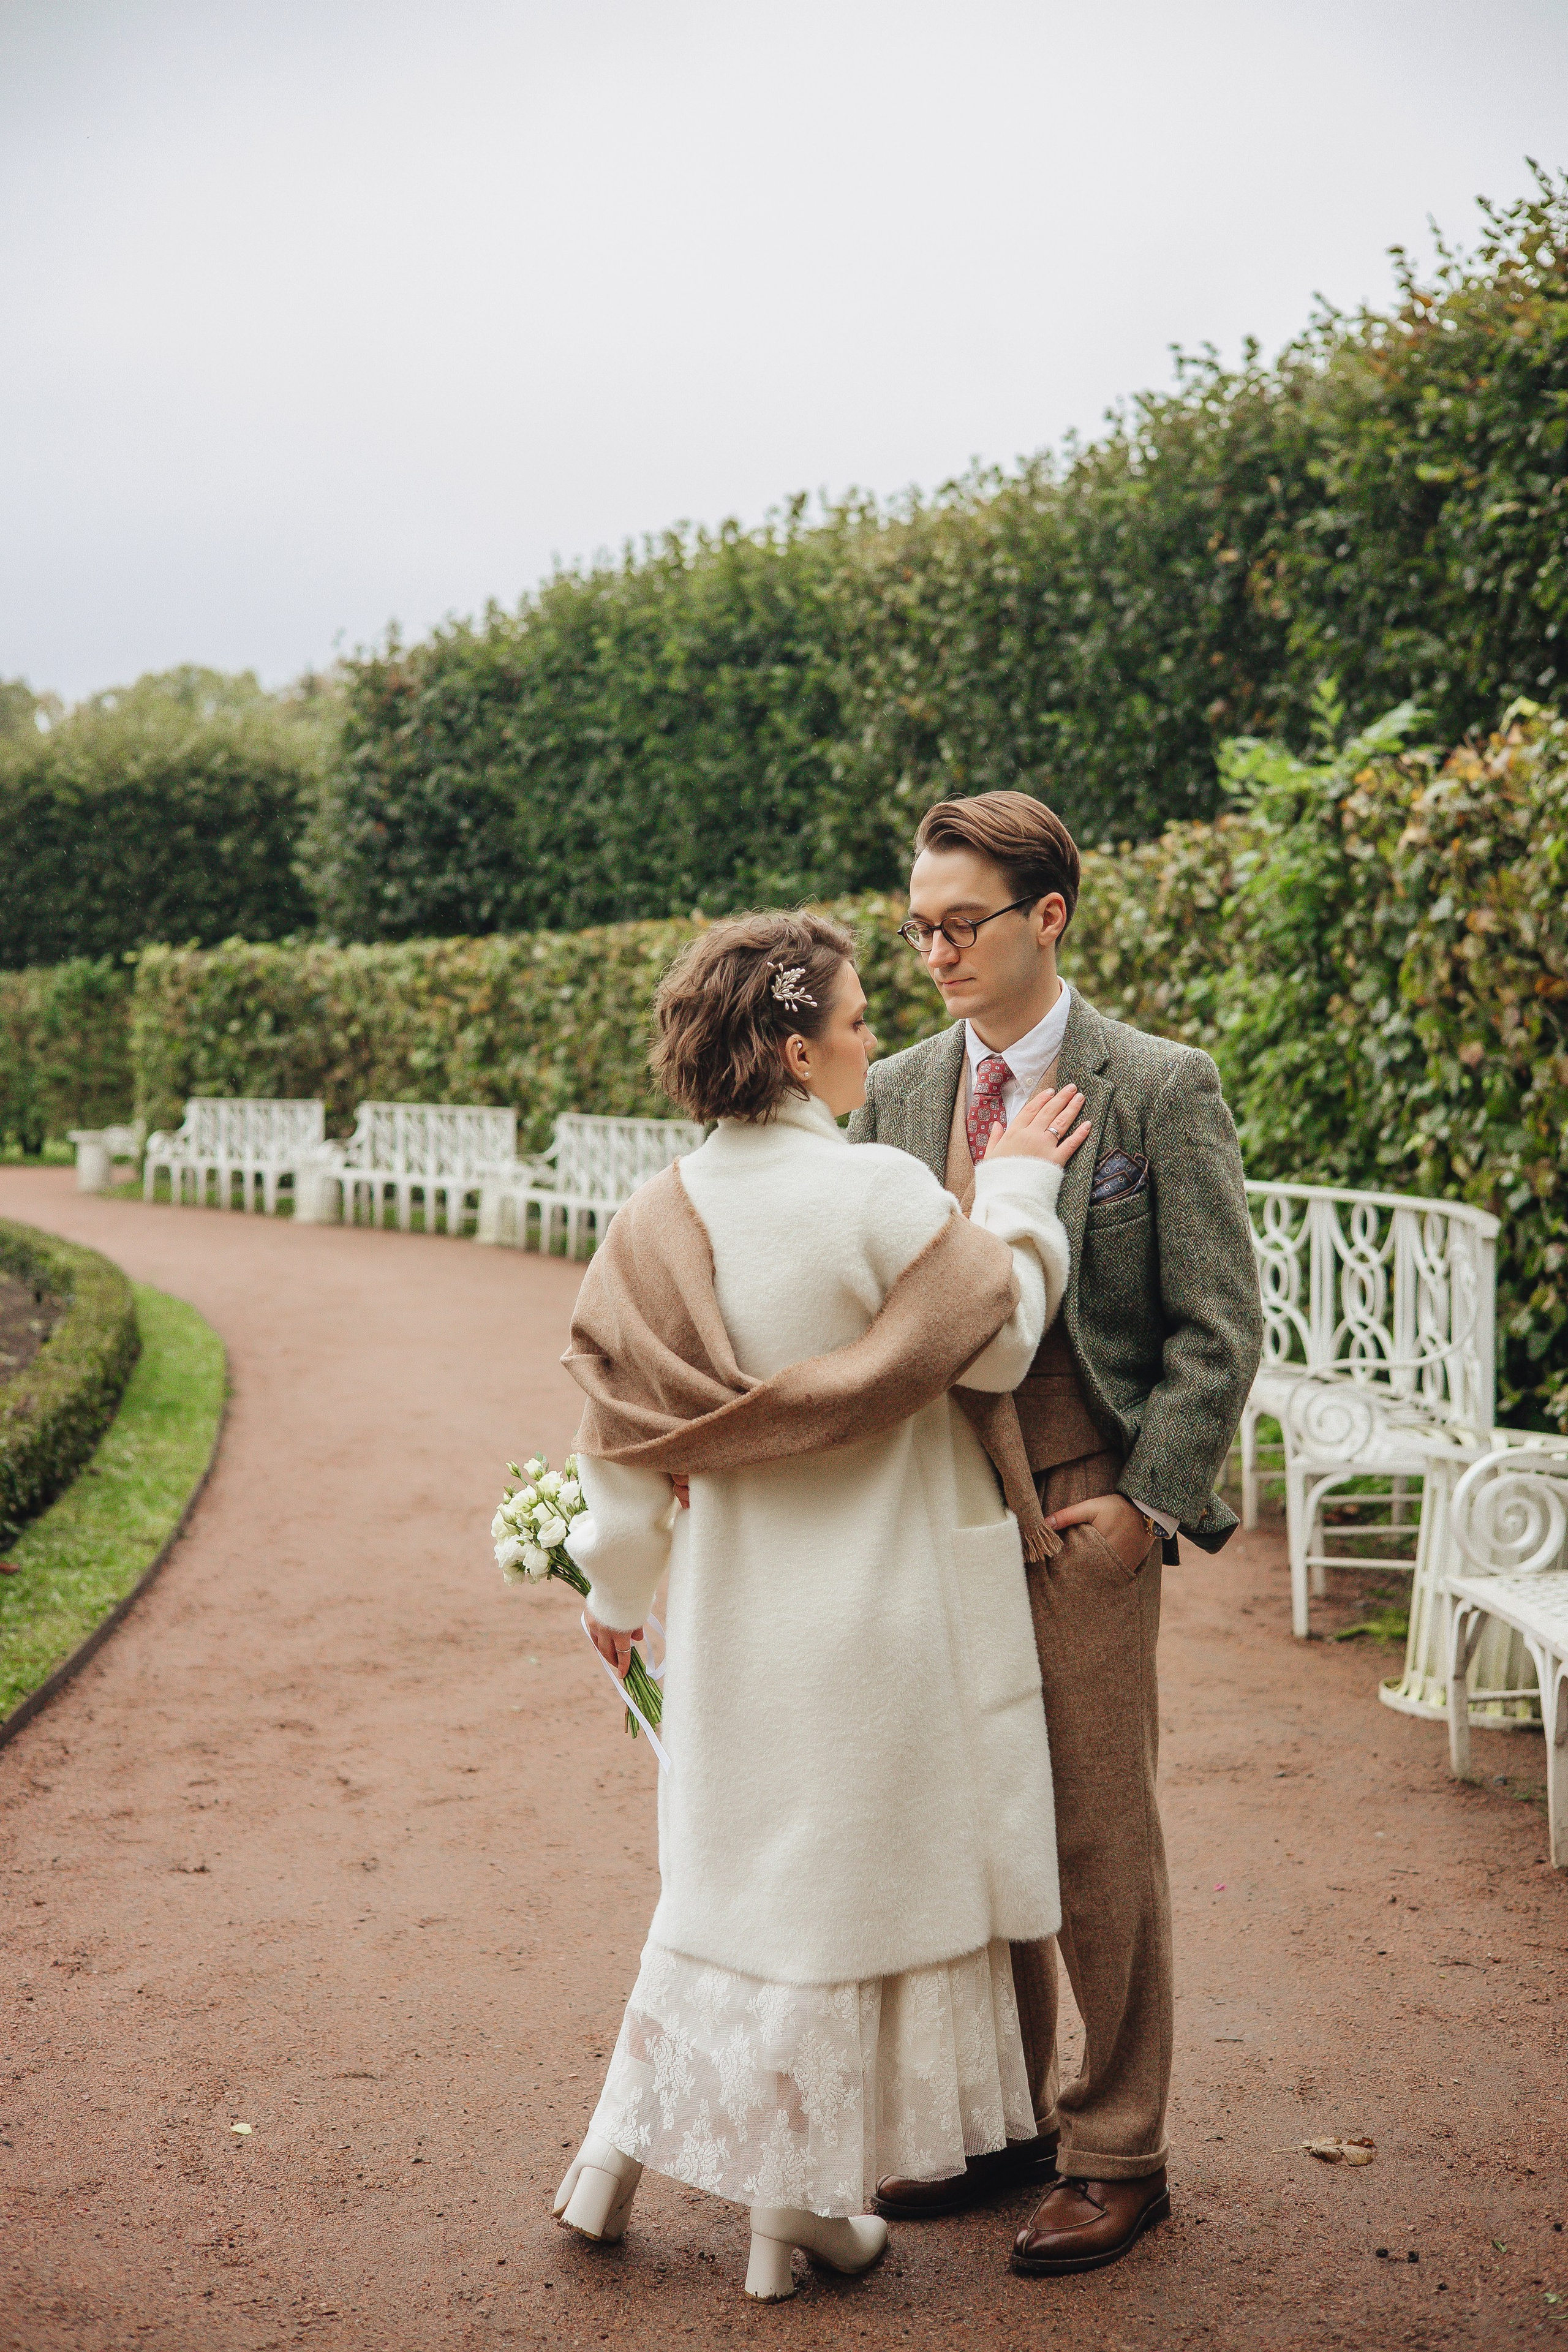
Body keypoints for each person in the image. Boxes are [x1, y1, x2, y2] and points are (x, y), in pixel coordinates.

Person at [549, 908, 1091, 2304]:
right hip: (884, 1623)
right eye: (854, 1022)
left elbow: (618, 1469)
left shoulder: (654, 1221)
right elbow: (998, 1345)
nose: (870, 1040)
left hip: (734, 1625)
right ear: (796, 1046)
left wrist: (617, 1600)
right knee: (840, 1908)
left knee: (738, 1891)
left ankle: (684, 2176)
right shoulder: (879, 1196)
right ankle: (793, 2208)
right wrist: (1018, 1191)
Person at [850, 790, 1263, 2277]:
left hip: (1084, 1502)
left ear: (1048, 917)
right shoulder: (892, 1088)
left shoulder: (1156, 1084)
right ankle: (1006, 2122)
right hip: (933, 1509)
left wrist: (1146, 1503)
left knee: (1095, 1831)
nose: (934, 951)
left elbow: (1217, 1330)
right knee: (967, 1834)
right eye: (916, 928)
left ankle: (1116, 2150)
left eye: (959, 923)